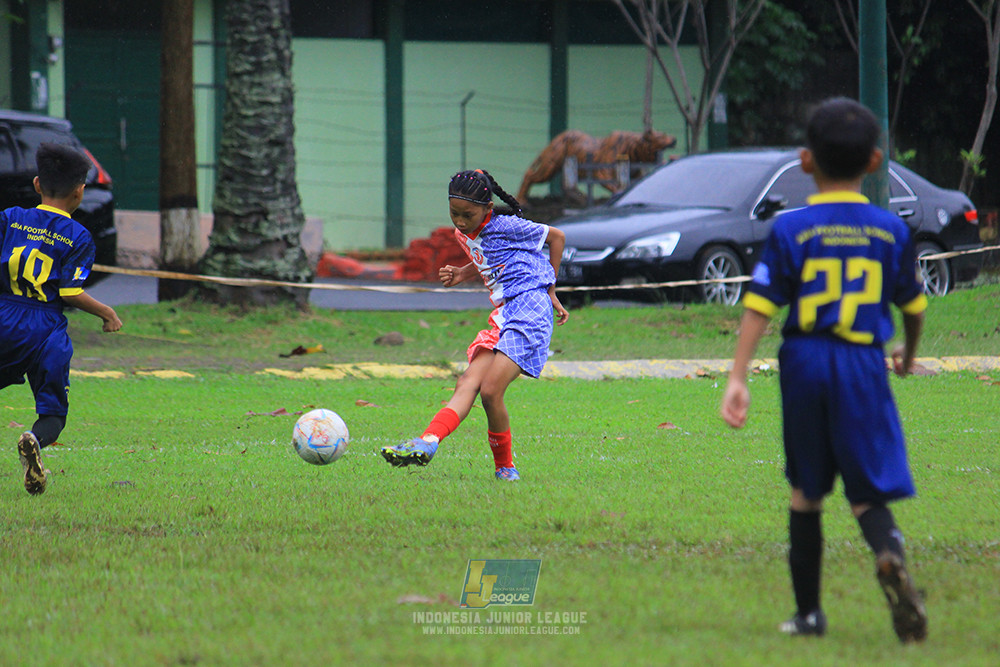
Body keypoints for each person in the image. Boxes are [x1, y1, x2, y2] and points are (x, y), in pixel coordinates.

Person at [720, 98, 928, 642]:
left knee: (807, 489)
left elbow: (761, 305)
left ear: (805, 160)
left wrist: (738, 376)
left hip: (806, 361)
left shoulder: (793, 230)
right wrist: (907, 353)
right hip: (863, 359)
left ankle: (809, 614)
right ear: (876, 161)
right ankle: (887, 553)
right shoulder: (890, 230)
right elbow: (914, 307)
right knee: (866, 489)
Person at [380, 169, 569, 481]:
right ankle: (427, 442)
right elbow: (488, 258)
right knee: (467, 382)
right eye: (454, 213)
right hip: (506, 312)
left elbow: (557, 237)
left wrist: (550, 289)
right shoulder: (463, 234)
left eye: (468, 215)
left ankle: (506, 469)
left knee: (491, 390)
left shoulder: (506, 225)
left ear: (487, 209)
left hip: (530, 306)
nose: (460, 221)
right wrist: (462, 273)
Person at [1, 142, 123, 495]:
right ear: (80, 192)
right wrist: (106, 312)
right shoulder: (78, 236)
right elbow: (69, 293)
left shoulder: (10, 219)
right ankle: (34, 440)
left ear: (38, 185)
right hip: (45, 330)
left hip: (4, 314)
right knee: (53, 414)